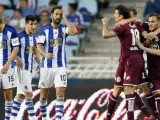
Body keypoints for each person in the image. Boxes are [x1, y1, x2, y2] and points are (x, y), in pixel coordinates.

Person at [105, 6, 153, 120]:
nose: (128, 18)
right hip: (124, 61)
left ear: (134, 16)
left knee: (140, 89)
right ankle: (108, 117)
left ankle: (150, 114)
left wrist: (148, 40)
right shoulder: (124, 25)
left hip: (135, 61)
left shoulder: (141, 25)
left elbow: (149, 31)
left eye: (131, 16)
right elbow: (119, 24)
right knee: (119, 89)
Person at [37, 5, 77, 120]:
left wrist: (65, 18)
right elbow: (39, 45)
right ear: (52, 15)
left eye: (60, 14)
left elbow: (74, 31)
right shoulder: (44, 29)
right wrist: (44, 54)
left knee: (60, 95)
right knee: (43, 97)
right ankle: (45, 118)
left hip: (61, 67)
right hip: (46, 67)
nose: (58, 16)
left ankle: (58, 118)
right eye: (56, 14)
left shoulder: (64, 29)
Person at [10, 14, 40, 120]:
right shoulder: (18, 36)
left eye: (35, 24)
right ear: (26, 24)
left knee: (21, 96)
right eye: (31, 24)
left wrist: (40, 63)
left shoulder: (35, 39)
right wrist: (18, 59)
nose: (33, 26)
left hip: (29, 70)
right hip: (20, 69)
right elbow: (10, 52)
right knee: (29, 94)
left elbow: (35, 53)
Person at [136, 13, 160, 118]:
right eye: (149, 21)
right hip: (154, 73)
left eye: (153, 21)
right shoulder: (147, 26)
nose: (150, 23)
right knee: (158, 99)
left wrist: (144, 47)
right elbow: (136, 22)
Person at [0, 16, 19, 120]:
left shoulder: (11, 30)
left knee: (8, 94)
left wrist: (7, 64)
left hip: (8, 66)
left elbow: (16, 48)